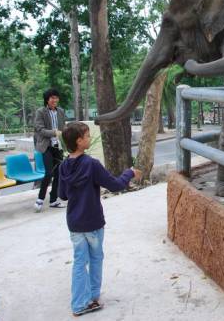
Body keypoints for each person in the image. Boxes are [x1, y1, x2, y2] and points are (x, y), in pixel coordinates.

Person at [58, 122, 142, 317]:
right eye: (87, 136)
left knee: (80, 261)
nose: (89, 139)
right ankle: (93, 297)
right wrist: (129, 173)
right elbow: (114, 185)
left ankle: (79, 303)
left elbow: (62, 195)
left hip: (74, 223)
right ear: (79, 141)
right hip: (93, 222)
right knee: (95, 258)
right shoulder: (91, 164)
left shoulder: (63, 166)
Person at [34, 88, 66, 212]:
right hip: (46, 145)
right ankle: (40, 199)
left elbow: (63, 127)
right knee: (49, 172)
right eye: (52, 98)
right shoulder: (40, 112)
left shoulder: (61, 112)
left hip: (58, 146)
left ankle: (53, 200)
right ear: (47, 100)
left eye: (56, 97)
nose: (55, 100)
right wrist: (54, 132)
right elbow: (40, 129)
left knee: (58, 173)